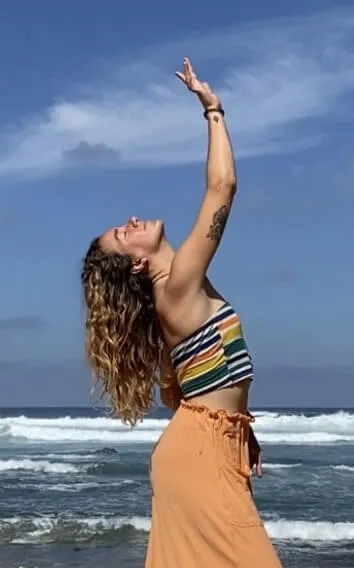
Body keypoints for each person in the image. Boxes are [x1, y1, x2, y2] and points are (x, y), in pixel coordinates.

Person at [80, 58, 283, 567]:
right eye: (123, 234)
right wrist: (213, 110)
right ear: (137, 264)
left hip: (208, 452)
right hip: (200, 460)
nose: (131, 221)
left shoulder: (174, 296)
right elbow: (223, 188)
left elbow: (190, 389)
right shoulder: (176, 286)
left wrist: (238, 431)